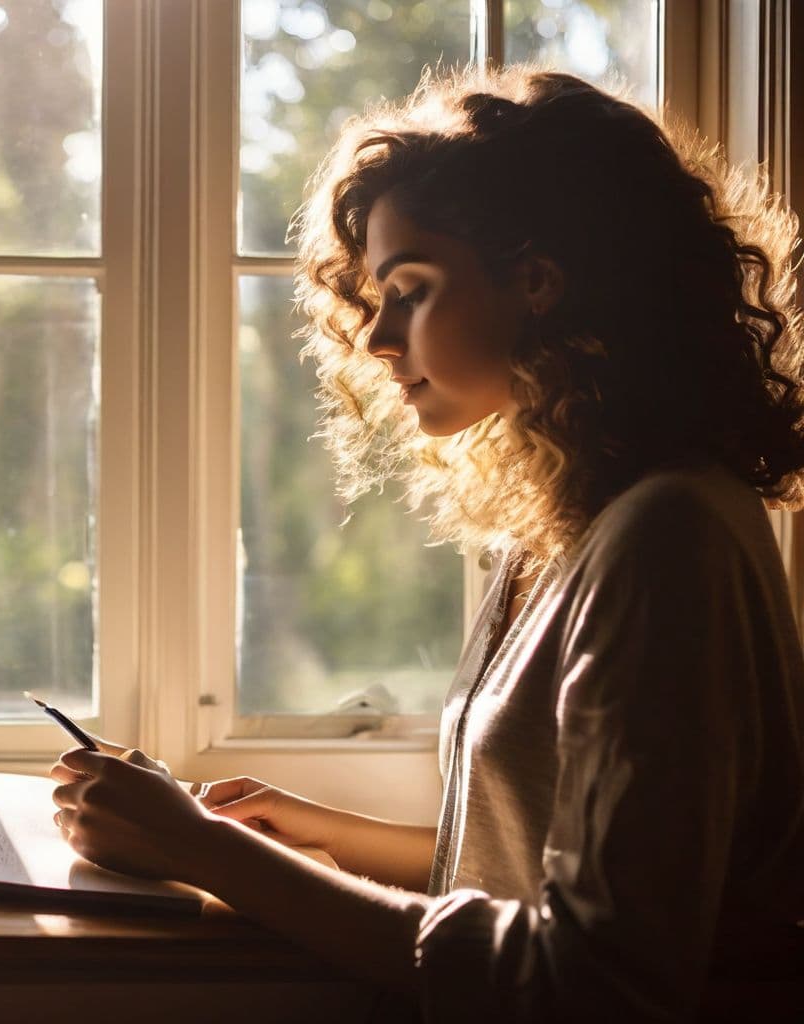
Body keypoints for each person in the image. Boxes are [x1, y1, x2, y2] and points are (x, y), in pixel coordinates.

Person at [49, 67, 804, 1020]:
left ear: (538, 281)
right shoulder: (571, 524)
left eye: (410, 289)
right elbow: (532, 859)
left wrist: (207, 854)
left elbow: (599, 982)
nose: (376, 339)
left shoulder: (667, 540)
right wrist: (309, 831)